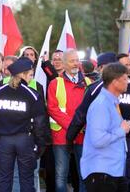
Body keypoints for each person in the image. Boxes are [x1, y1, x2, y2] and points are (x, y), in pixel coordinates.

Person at [66, 53, 130, 192]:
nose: (127, 72)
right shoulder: (97, 92)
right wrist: (69, 139)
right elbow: (80, 117)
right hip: (107, 150)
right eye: (124, 67)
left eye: (129, 66)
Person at [0, 57, 48, 192]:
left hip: (4, 140)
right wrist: (40, 143)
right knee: (26, 179)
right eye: (30, 74)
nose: (31, 78)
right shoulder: (32, 94)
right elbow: (39, 123)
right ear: (24, 75)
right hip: (25, 140)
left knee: (4, 179)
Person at [81, 63, 130, 192]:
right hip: (102, 173)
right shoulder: (101, 105)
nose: (128, 82)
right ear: (115, 82)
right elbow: (98, 140)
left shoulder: (111, 103)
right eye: (125, 79)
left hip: (112, 171)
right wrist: (121, 131)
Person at [47, 49, 91, 192]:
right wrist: (74, 126)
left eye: (77, 60)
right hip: (61, 136)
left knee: (84, 174)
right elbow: (53, 109)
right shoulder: (55, 83)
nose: (76, 64)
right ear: (64, 64)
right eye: (72, 61)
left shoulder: (89, 82)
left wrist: (80, 127)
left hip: (83, 136)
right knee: (61, 176)